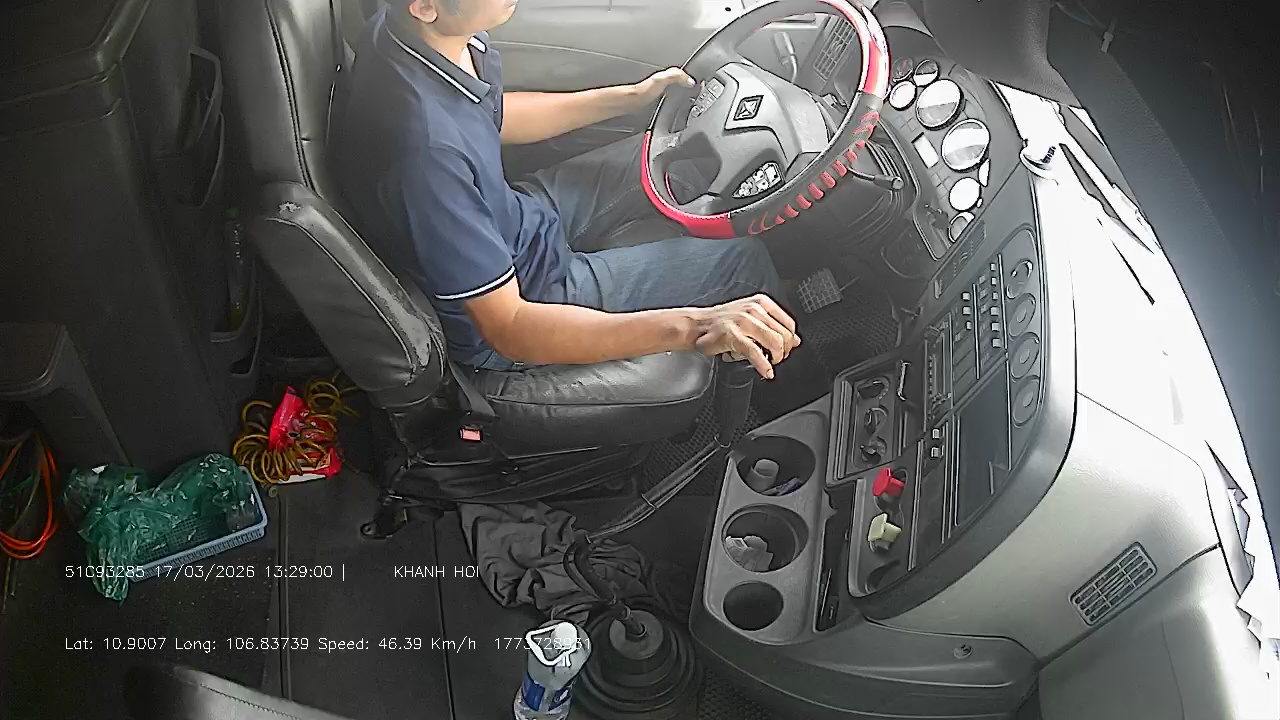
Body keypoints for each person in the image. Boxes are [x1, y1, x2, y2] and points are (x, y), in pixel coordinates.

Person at [333, 0, 801, 379]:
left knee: (674, 153)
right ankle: (790, 377)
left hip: (516, 216)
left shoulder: (412, 36)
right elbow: (509, 327)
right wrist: (698, 325)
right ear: (425, 7)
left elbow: (491, 117)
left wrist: (629, 98)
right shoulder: (426, 157)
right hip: (530, 298)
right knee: (744, 260)